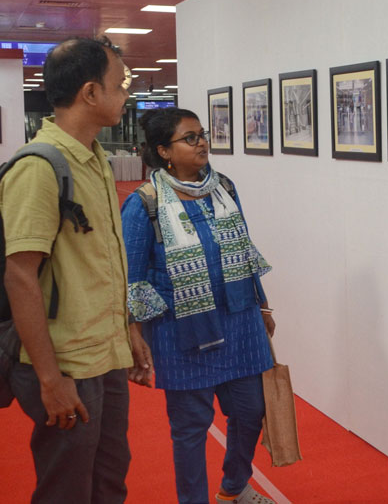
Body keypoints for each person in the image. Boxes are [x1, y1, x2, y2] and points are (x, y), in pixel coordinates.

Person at [0, 35, 150, 503]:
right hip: (66, 363)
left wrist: (127, 329)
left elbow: (100, 262)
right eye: (119, 84)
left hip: (105, 353)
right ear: (90, 92)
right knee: (66, 490)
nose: (125, 95)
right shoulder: (39, 168)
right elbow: (20, 276)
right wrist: (50, 380)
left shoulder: (96, 159)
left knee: (109, 480)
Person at [121, 108, 276, 504]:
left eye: (202, 134)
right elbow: (132, 278)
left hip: (240, 321)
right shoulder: (144, 203)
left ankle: (234, 488)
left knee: (250, 410)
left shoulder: (224, 187)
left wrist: (262, 304)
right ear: (164, 151)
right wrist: (134, 335)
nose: (202, 143)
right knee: (190, 429)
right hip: (182, 331)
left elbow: (243, 249)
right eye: (189, 138)